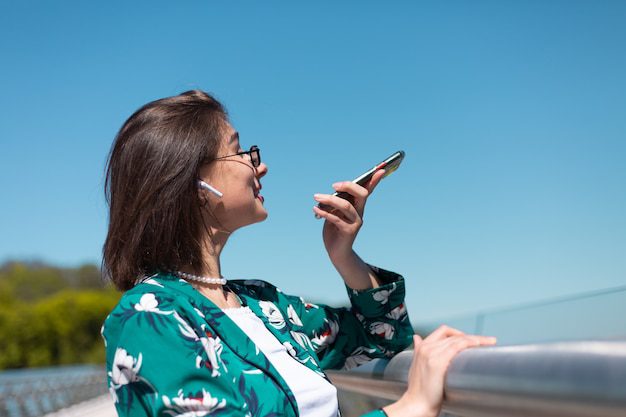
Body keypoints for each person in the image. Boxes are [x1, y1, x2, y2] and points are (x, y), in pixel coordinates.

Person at [101, 90, 496, 417]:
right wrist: (410, 408)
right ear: (194, 182)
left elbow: (384, 339)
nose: (260, 166)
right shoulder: (150, 320)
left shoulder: (266, 305)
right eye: (240, 152)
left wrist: (344, 255)